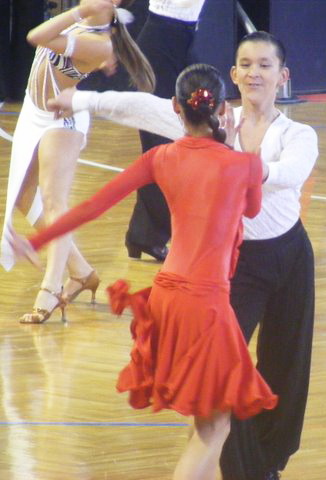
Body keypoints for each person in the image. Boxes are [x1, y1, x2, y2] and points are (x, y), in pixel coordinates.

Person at [48, 30, 318, 480]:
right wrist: (81, 100)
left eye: (264, 65)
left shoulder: (296, 133)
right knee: (224, 386)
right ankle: (246, 473)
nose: (254, 73)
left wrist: (239, 162)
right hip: (234, 268)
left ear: (283, 76)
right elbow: (141, 106)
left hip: (290, 255)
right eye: (246, 64)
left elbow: (292, 174)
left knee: (287, 370)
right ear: (233, 75)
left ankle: (269, 464)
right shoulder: (207, 116)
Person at [10, 63, 278, 480]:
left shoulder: (159, 158)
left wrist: (36, 240)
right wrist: (238, 150)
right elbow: (253, 209)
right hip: (205, 304)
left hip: (166, 297)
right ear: (223, 109)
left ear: (175, 107)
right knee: (215, 427)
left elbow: (90, 207)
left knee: (206, 422)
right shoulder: (243, 165)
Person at [0, 0, 155, 324]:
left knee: (54, 202)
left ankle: (51, 288)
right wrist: (83, 13)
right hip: (33, 110)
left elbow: (35, 36)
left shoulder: (100, 43)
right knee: (25, 197)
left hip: (62, 119)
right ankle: (81, 272)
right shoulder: (86, 23)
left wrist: (80, 11)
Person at [124, 0, 206, 262]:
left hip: (181, 41)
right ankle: (149, 235)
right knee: (164, 148)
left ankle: (145, 234)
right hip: (161, 43)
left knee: (185, 142)